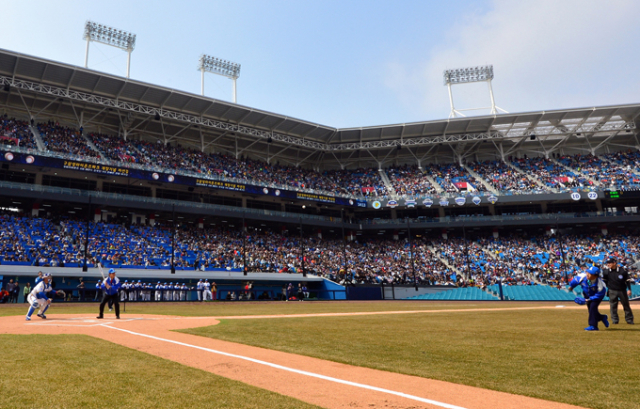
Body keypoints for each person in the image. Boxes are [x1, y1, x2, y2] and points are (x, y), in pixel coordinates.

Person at [568, 266, 609, 331]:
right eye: (587, 272)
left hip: (596, 297)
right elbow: (575, 281)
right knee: (591, 311)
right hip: (587, 294)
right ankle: (602, 317)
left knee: (593, 307)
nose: (587, 274)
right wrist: (571, 286)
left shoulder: (601, 284)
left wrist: (589, 299)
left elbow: (600, 295)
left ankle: (593, 326)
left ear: (595, 276)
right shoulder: (583, 277)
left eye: (590, 273)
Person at [602, 257, 634, 325]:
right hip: (612, 291)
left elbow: (627, 281)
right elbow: (604, 281)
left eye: (610, 263)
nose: (608, 264)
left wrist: (629, 289)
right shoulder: (606, 272)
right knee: (613, 306)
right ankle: (615, 320)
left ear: (614, 263)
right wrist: (605, 289)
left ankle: (629, 319)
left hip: (622, 290)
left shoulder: (622, 271)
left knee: (626, 305)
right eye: (608, 263)